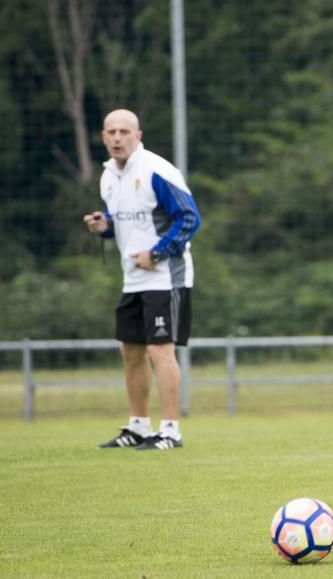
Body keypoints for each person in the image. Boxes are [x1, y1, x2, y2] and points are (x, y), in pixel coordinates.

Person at [84, 109, 201, 451]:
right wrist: (104, 225)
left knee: (159, 350)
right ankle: (138, 426)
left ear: (138, 135)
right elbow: (126, 223)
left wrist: (158, 253)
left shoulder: (157, 170)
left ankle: (170, 430)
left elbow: (189, 218)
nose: (117, 138)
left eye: (124, 131)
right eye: (111, 132)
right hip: (132, 280)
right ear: (103, 136)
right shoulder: (107, 176)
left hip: (166, 277)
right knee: (130, 351)